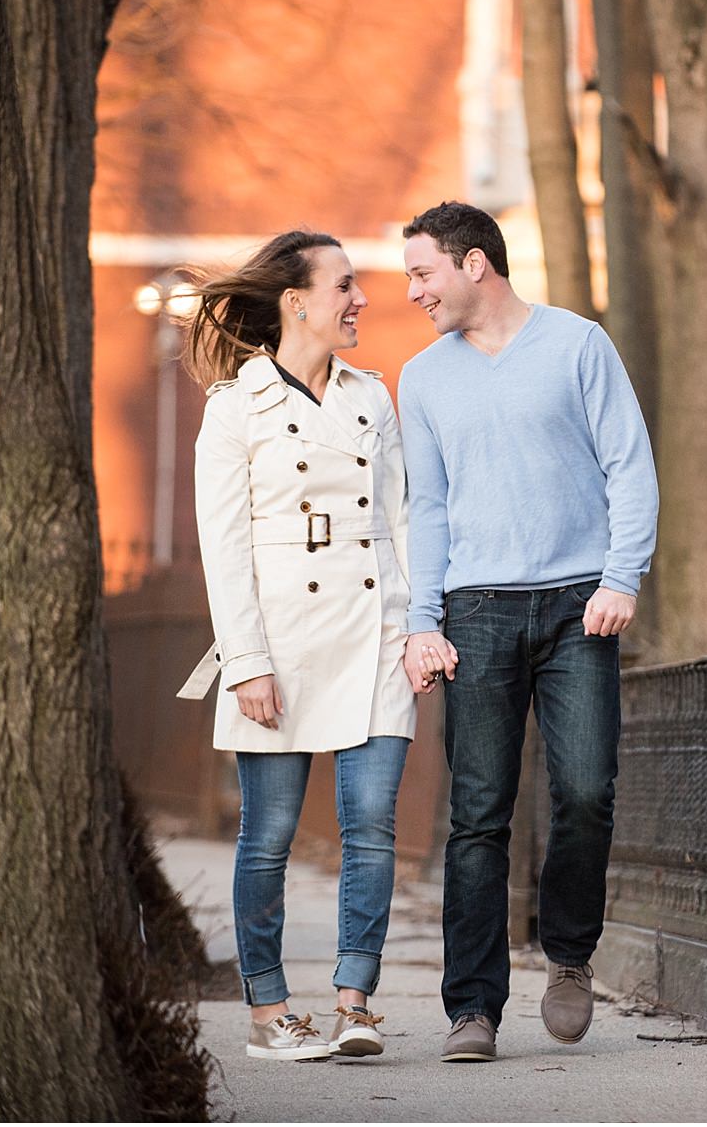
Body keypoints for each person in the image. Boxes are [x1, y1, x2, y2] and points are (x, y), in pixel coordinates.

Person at [397, 201, 657, 1064]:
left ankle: (570, 956)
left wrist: (622, 574)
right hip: (476, 608)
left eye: (423, 272)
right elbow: (425, 509)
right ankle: (472, 1007)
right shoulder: (424, 377)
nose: (412, 291)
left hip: (579, 603)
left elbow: (628, 462)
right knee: (478, 813)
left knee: (585, 791)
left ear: (475, 264)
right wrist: (422, 620)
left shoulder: (578, 345)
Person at [175, 229, 416, 1063]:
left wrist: (418, 629)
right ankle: (269, 1011)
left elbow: (400, 522)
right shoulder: (234, 409)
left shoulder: (371, 398)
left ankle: (355, 1000)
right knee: (269, 835)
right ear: (296, 299)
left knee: (374, 824)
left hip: (374, 637)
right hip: (276, 647)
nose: (359, 301)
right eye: (345, 285)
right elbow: (223, 544)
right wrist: (244, 661)